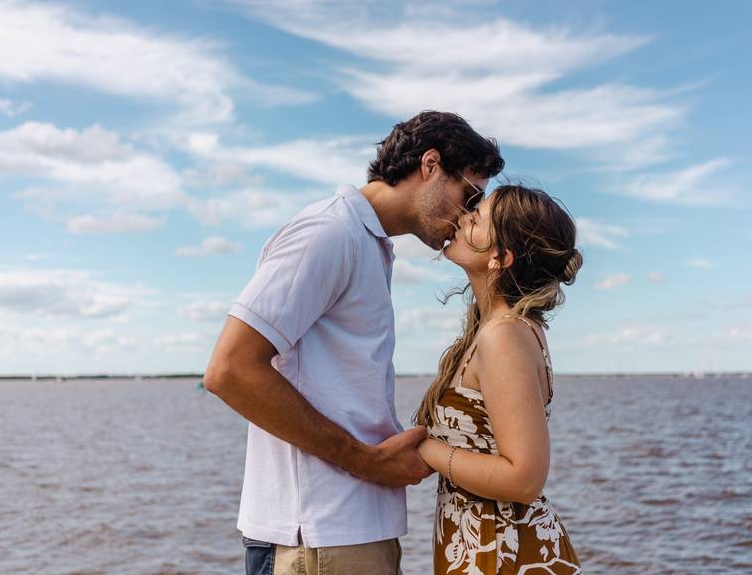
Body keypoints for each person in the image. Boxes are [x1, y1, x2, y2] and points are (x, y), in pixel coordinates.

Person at [203, 111, 504, 575]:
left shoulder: (368, 244)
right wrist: (367, 462)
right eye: (471, 195)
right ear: (429, 165)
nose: (468, 217)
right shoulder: (330, 233)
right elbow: (230, 371)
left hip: (345, 535)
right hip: (319, 538)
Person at [413, 185, 584, 574]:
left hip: (504, 552)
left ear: (500, 257)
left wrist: (426, 450)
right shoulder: (496, 328)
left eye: (476, 220)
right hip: (487, 545)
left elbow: (524, 477)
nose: (461, 218)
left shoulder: (504, 334)